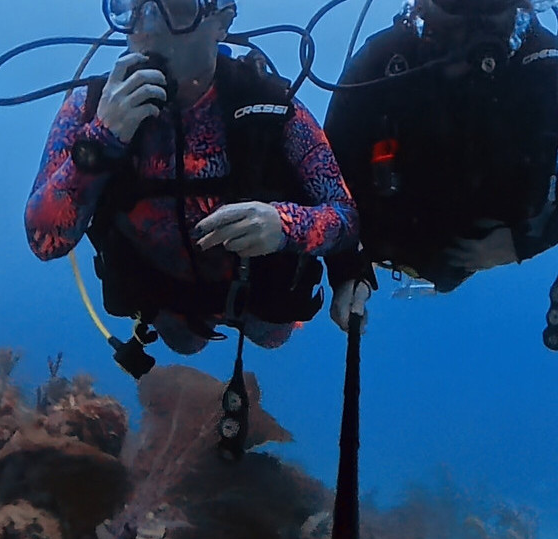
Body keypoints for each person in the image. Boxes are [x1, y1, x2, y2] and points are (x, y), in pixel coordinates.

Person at [25, 0, 360, 358]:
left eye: (179, 8)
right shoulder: (89, 107)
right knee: (184, 342)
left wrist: (284, 225)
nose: (149, 27)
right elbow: (45, 242)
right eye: (131, 8)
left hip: (263, 298)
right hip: (166, 302)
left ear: (222, 23)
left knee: (272, 334)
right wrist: (103, 136)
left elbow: (345, 215)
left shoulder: (268, 104)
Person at [324, 0, 558, 337]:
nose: (470, 31)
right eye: (455, 15)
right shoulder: (383, 60)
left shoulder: (551, 68)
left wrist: (522, 245)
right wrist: (349, 270)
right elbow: (328, 170)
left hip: (471, 239)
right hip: (397, 242)